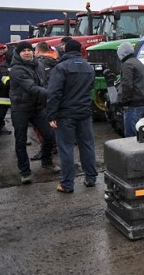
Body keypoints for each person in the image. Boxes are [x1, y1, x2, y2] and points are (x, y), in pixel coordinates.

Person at [46, 39, 97, 193]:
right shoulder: (89, 67)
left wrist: (51, 115)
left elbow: (54, 93)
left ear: (66, 50)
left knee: (66, 148)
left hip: (65, 114)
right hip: (84, 113)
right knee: (87, 145)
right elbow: (90, 89)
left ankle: (67, 184)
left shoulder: (61, 67)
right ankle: (90, 178)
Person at [10, 41, 60, 184]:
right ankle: (25, 172)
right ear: (18, 54)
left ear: (33, 52)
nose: (27, 52)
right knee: (20, 140)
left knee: (49, 135)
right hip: (20, 108)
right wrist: (52, 94)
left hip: (37, 107)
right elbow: (31, 88)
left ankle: (47, 161)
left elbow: (44, 83)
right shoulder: (16, 69)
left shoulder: (38, 64)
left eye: (28, 50)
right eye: (23, 51)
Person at [30, 41, 59, 160]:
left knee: (41, 126)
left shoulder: (38, 64)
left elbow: (40, 82)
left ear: (37, 51)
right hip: (55, 97)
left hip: (43, 98)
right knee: (53, 123)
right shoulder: (56, 61)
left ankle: (46, 148)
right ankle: (54, 144)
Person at [117, 41, 144, 137]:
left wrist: (125, 102)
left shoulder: (127, 65)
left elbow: (127, 85)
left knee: (132, 139)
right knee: (142, 136)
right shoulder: (139, 63)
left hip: (134, 106)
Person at [0, 44, 12, 145]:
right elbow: (5, 79)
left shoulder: (18, 64)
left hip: (14, 96)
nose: (1, 51)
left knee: (20, 120)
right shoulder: (2, 65)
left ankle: (22, 139)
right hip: (2, 96)